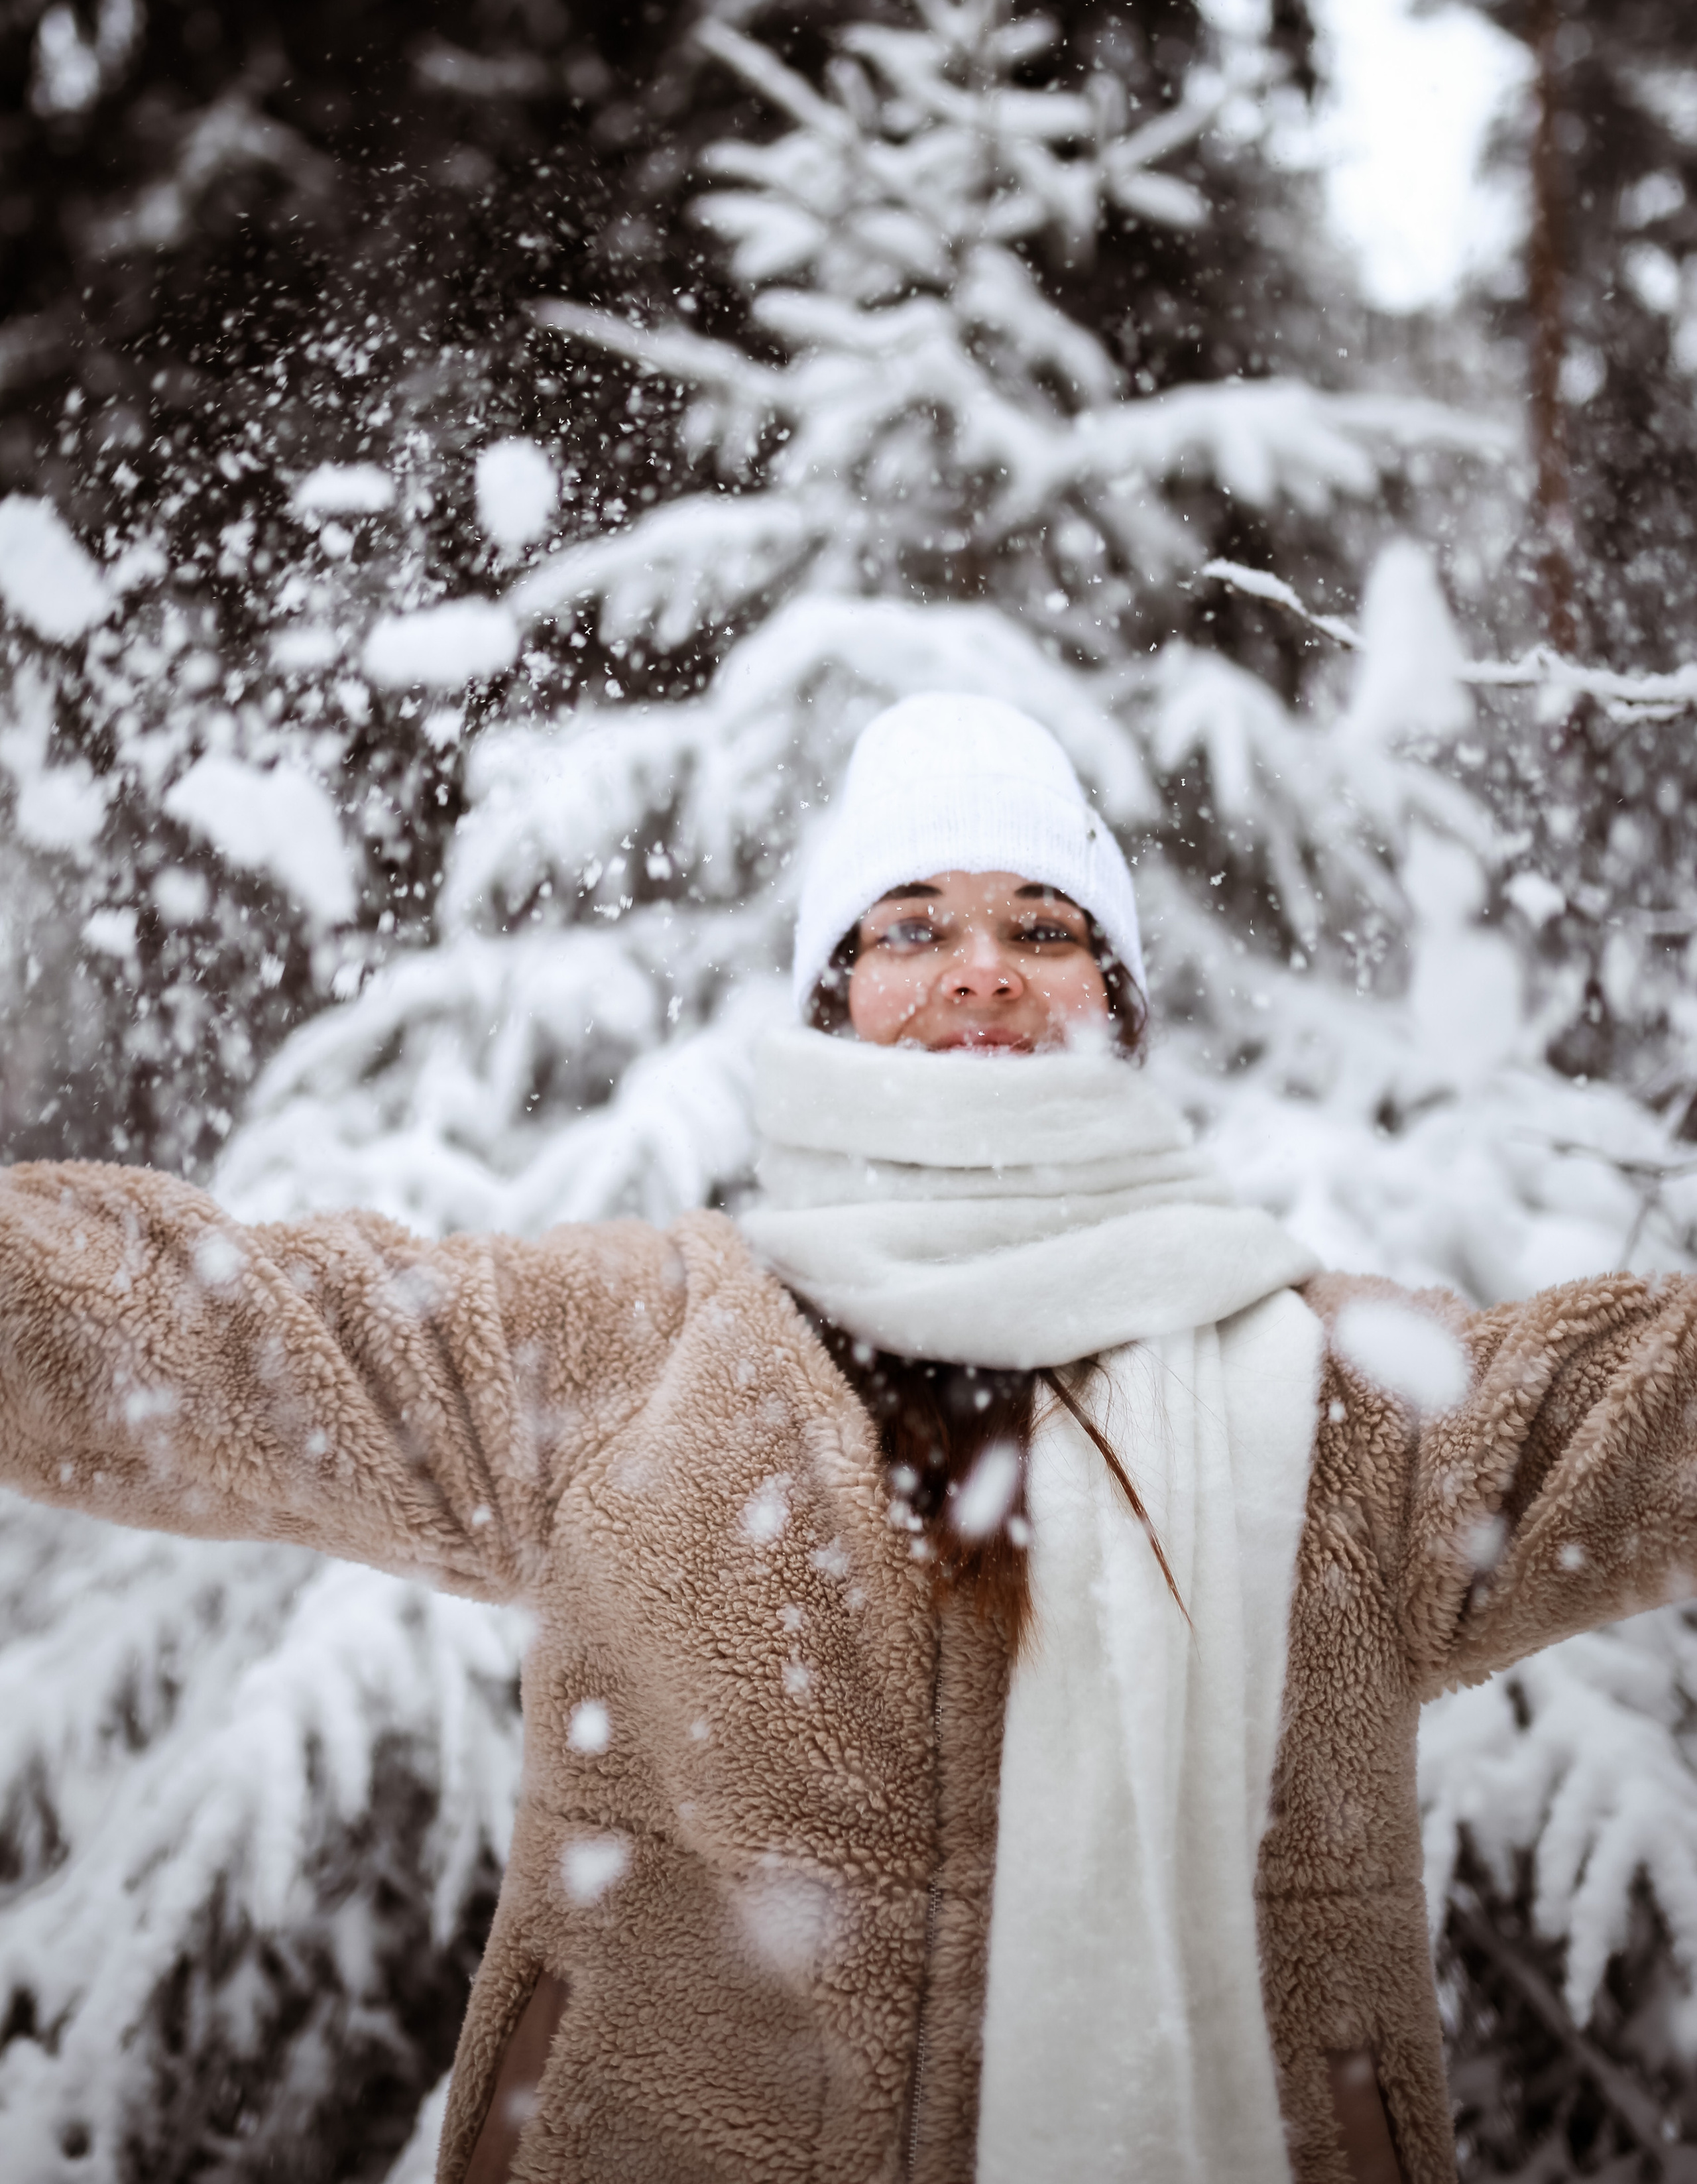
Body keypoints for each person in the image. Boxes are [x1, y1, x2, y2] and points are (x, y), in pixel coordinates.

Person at [1, 692, 1693, 2184]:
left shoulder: (1331, 1403)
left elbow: (1650, 1402)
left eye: (1043, 927)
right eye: (910, 927)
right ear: (833, 1000)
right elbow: (227, 1334)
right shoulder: (640, 1345)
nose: (981, 971)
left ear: (1114, 1000)